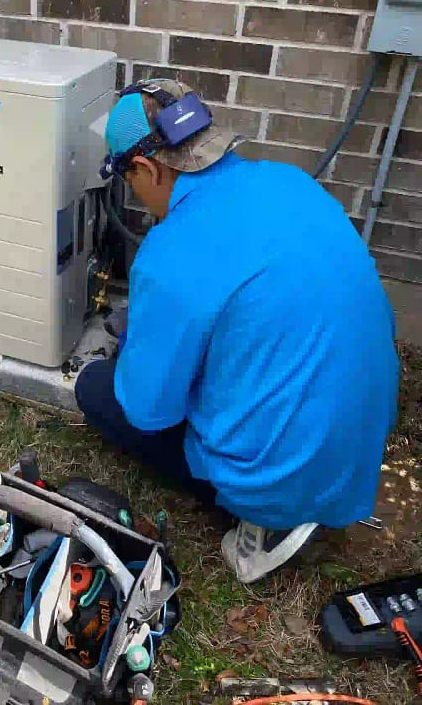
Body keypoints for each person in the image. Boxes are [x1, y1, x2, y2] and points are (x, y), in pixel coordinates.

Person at [75, 78, 399, 584]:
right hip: (357, 446)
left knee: (95, 387)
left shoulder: (170, 252)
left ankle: (267, 518)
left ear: (145, 168)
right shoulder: (290, 181)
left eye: (128, 178)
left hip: (279, 476)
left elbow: (149, 411)